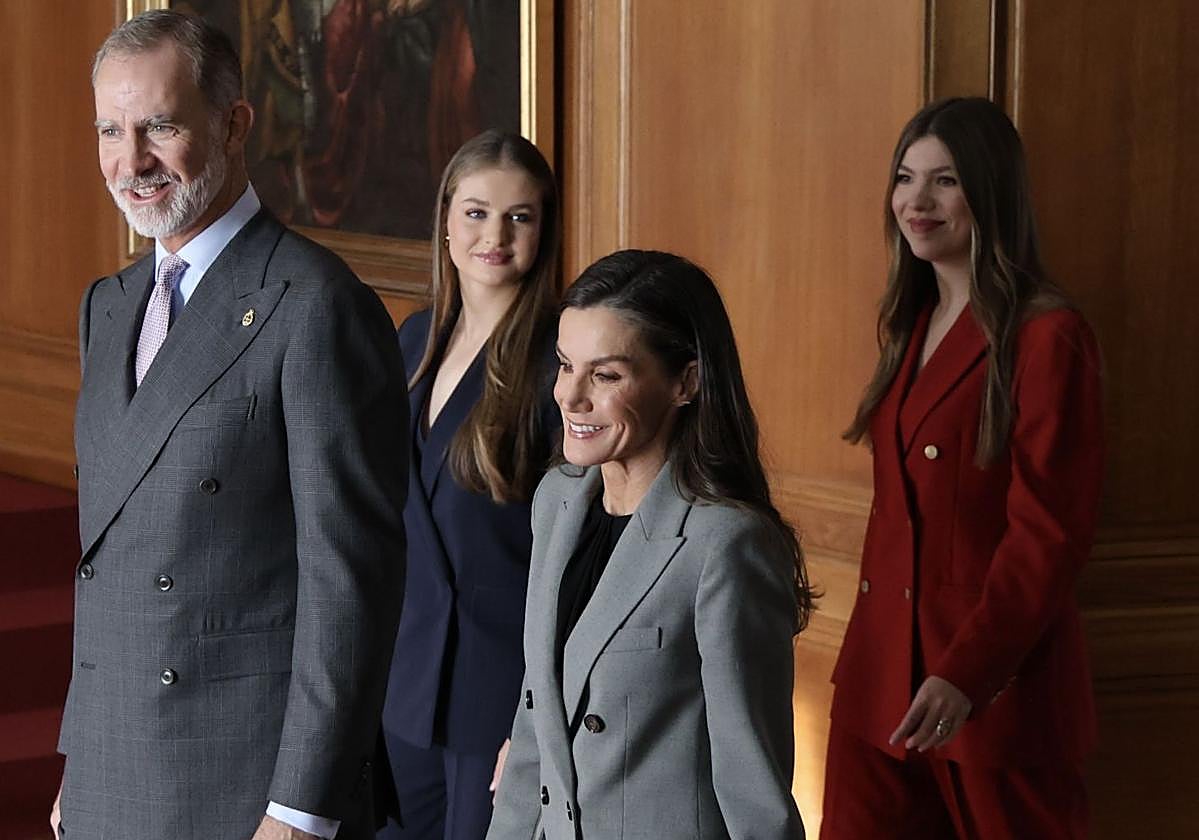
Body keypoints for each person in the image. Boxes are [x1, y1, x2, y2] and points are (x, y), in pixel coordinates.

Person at [53, 11, 407, 840]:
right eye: (111, 129)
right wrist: (81, 761)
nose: (131, 161)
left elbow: (350, 583)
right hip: (113, 773)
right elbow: (104, 571)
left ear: (235, 123)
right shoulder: (106, 309)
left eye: (160, 126)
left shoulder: (317, 305)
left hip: (244, 789)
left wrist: (301, 808)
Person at [821, 97, 1104, 839]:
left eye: (944, 181)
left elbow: (1048, 535)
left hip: (990, 694)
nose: (917, 201)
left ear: (989, 191)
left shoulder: (1047, 336)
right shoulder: (906, 324)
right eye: (905, 178)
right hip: (879, 679)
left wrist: (967, 673)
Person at [486, 250, 813, 840]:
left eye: (606, 375)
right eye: (565, 365)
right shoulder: (556, 501)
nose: (570, 396)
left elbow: (754, 790)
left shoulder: (726, 545)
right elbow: (535, 727)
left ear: (685, 381)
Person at [378, 130, 561, 840]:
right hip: (403, 682)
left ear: (542, 231)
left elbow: (575, 558)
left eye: (520, 216)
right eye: (478, 212)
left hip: (496, 694)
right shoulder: (413, 339)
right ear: (447, 222)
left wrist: (538, 716)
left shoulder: (559, 360)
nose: (496, 234)